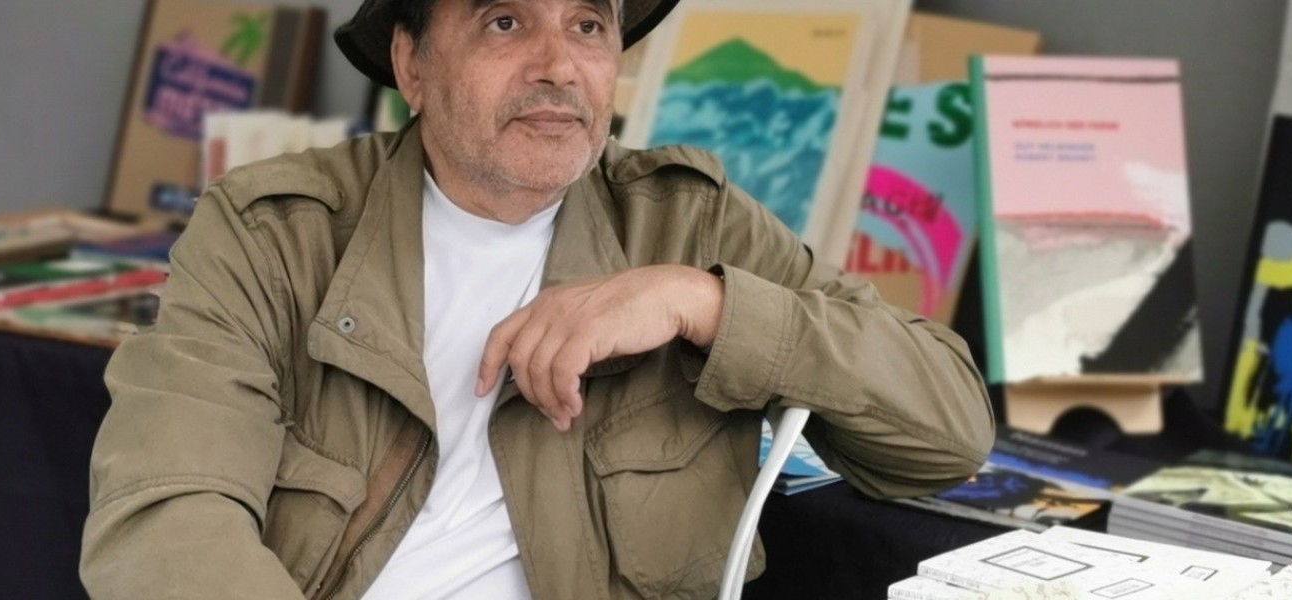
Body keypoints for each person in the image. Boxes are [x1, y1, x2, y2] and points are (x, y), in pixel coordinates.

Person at [81, 0, 994, 597]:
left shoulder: (689, 223)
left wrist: (704, 303)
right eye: (506, 21)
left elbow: (950, 433)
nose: (558, 65)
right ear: (411, 64)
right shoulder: (275, 233)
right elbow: (169, 515)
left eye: (588, 25)